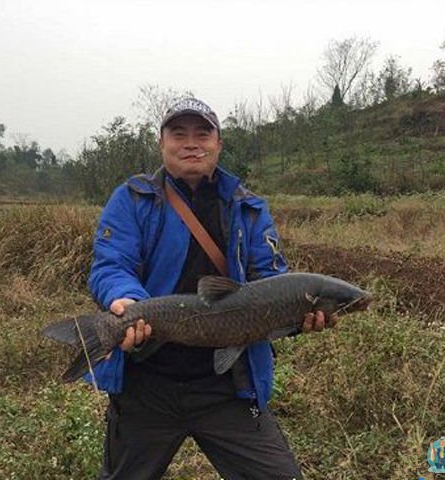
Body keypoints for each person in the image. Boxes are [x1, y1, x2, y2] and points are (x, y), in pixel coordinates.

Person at [86, 97, 331, 480]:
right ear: (161, 142)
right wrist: (127, 301)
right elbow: (110, 264)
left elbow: (270, 279)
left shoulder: (248, 208)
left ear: (218, 143)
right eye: (179, 133)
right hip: (146, 383)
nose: (191, 143)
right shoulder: (132, 199)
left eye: (203, 133)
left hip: (228, 386)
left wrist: (298, 317)